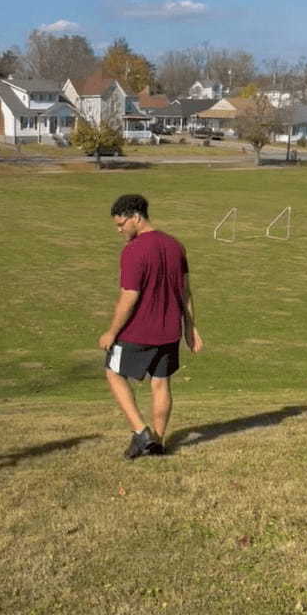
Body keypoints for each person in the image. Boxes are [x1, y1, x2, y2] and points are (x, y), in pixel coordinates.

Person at [98, 193, 203, 458]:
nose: (119, 229)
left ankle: (141, 432)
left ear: (136, 217)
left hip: (138, 331)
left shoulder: (134, 250)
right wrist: (190, 327)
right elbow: (186, 292)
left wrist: (111, 331)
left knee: (113, 372)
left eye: (121, 224)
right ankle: (157, 443)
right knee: (161, 384)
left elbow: (129, 296)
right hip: (169, 332)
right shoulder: (176, 246)